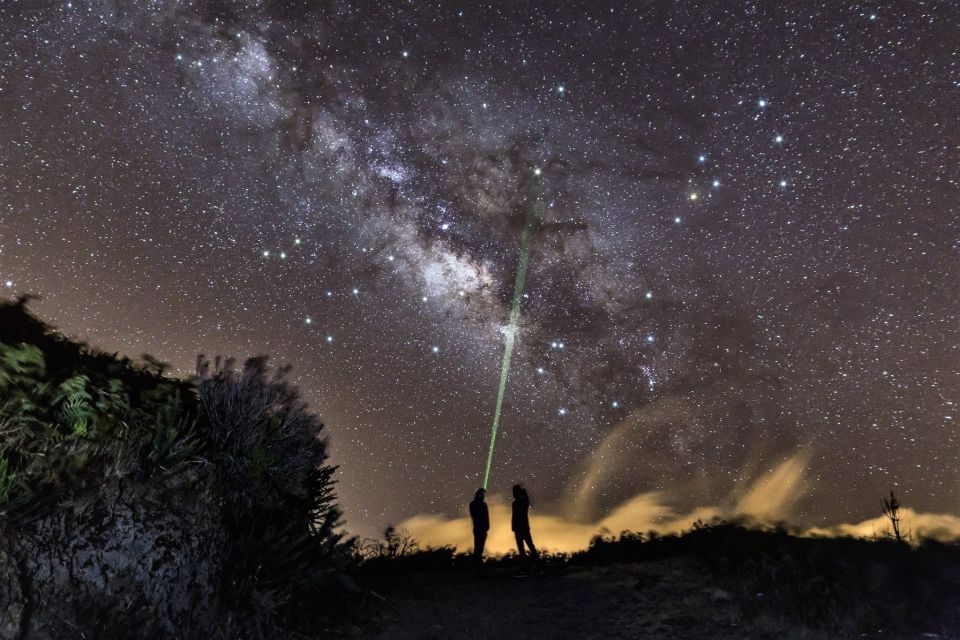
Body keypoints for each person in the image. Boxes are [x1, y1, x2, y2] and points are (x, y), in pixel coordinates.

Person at [511, 484, 540, 564]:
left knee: (522, 549)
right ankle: (539, 566)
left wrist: (514, 527)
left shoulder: (517, 503)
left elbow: (515, 516)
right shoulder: (524, 501)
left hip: (520, 528)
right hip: (524, 528)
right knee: (531, 546)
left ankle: (526, 568)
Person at [469, 488, 489, 568]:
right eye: (481, 494)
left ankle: (478, 567)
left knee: (479, 549)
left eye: (483, 494)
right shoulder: (475, 504)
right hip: (478, 529)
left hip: (482, 530)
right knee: (478, 549)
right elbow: (476, 516)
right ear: (478, 495)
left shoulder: (482, 504)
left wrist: (486, 527)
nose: (483, 496)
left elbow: (486, 517)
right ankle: (478, 568)